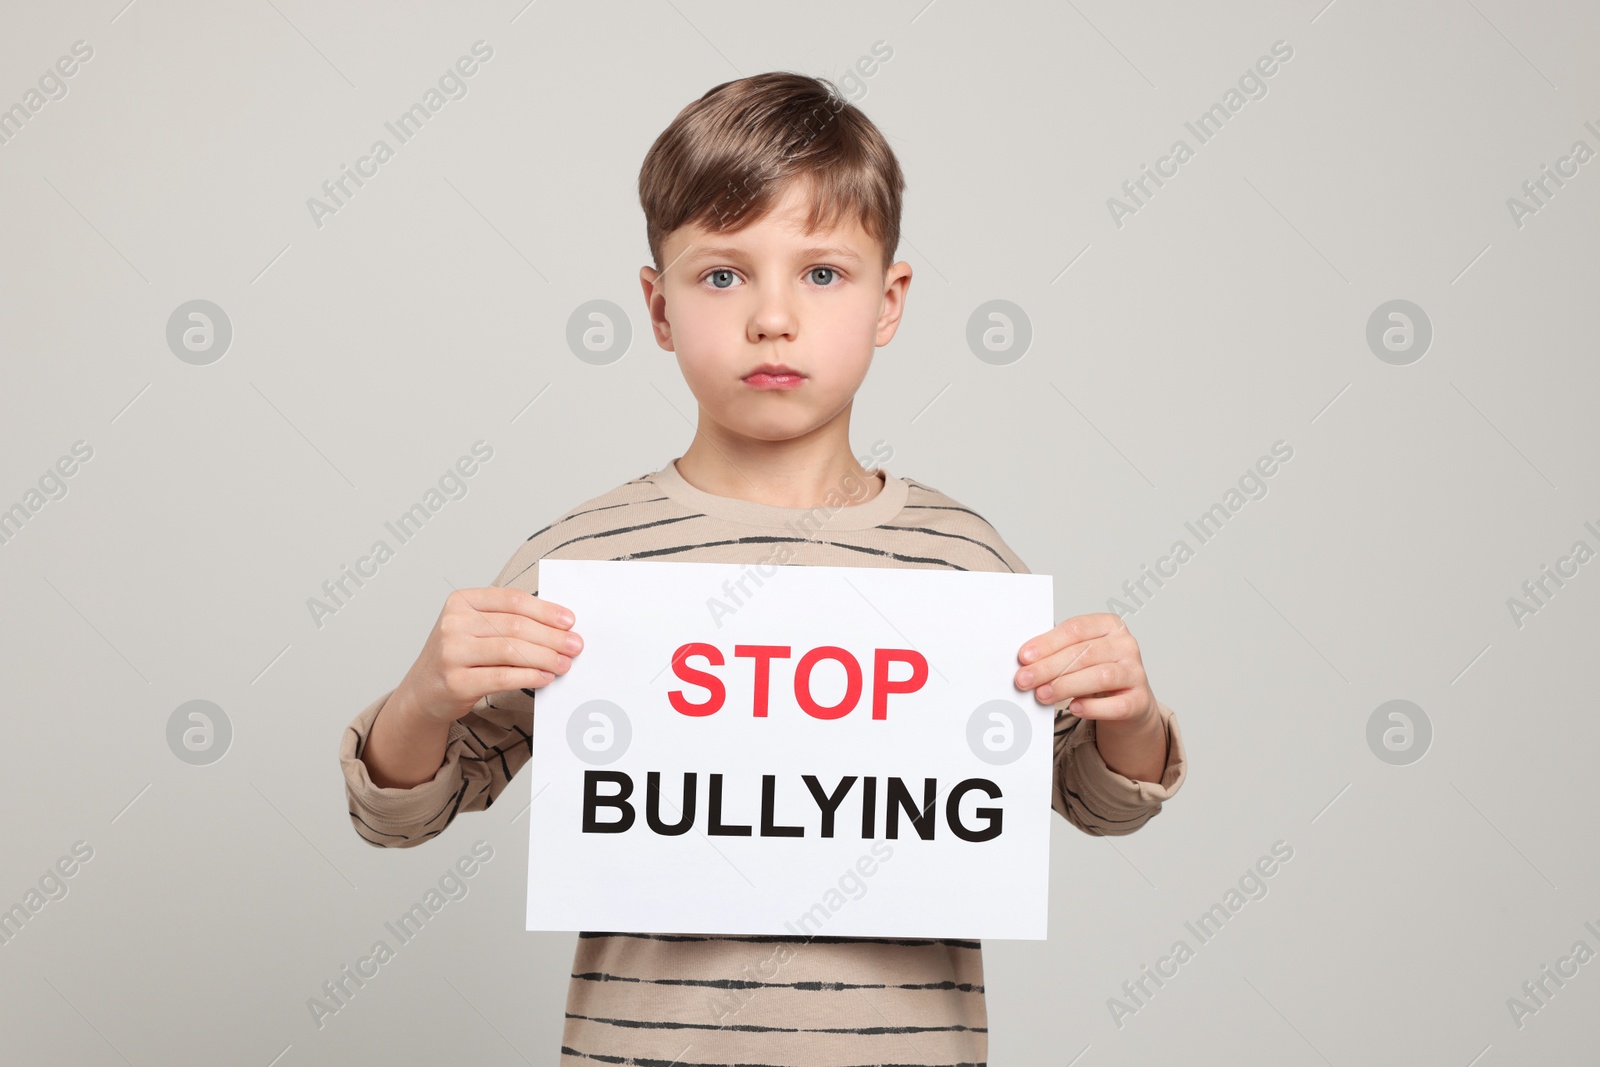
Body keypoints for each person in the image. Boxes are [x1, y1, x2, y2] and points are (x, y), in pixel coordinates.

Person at [338, 69, 1187, 1065]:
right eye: (722, 274)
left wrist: (1126, 717)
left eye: (822, 273)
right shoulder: (585, 562)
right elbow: (401, 811)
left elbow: (1086, 798)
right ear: (657, 308)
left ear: (888, 299)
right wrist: (426, 691)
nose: (771, 317)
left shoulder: (963, 565)